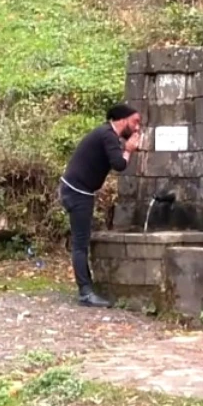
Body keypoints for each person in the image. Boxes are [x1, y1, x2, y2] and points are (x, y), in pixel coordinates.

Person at [59, 103, 141, 307]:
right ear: (123, 120)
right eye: (135, 122)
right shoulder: (108, 135)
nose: (137, 128)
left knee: (82, 241)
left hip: (77, 190)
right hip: (77, 192)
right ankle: (85, 293)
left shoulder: (107, 134)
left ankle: (87, 287)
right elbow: (119, 164)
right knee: (80, 244)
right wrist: (129, 149)